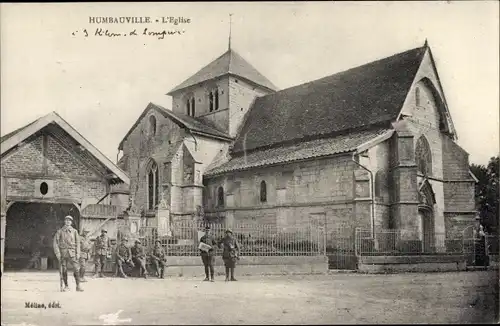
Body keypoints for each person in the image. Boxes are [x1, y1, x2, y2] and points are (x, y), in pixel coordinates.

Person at [53, 216, 83, 292]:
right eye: (66, 220)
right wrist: (58, 253)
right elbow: (55, 243)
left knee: (76, 269)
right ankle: (66, 286)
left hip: (72, 253)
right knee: (64, 270)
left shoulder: (75, 231)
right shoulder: (60, 231)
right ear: (64, 221)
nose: (68, 222)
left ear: (71, 222)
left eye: (69, 221)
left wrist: (78, 253)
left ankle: (78, 285)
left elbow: (78, 243)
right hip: (63, 254)